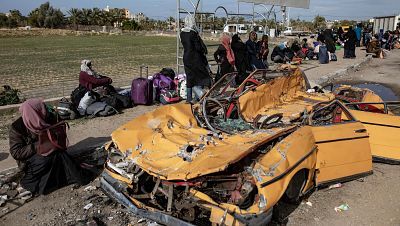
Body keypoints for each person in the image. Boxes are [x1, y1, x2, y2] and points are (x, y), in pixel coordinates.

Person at [9, 99, 90, 195]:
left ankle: (69, 178)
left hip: (51, 150)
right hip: (30, 159)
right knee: (46, 158)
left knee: (59, 155)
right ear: (35, 112)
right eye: (42, 109)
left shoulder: (48, 117)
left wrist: (54, 138)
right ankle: (31, 183)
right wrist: (38, 146)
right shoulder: (17, 128)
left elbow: (60, 132)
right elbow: (16, 152)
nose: (45, 111)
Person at [180, 15, 211, 103]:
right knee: (200, 76)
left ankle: (188, 98)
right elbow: (198, 47)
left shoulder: (182, 33)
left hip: (186, 57)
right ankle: (199, 96)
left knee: (189, 77)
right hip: (195, 58)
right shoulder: (193, 33)